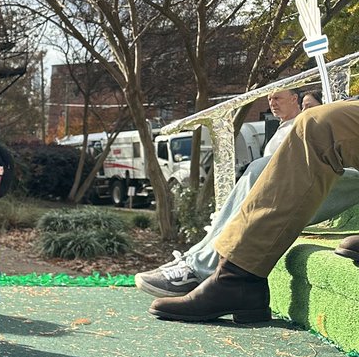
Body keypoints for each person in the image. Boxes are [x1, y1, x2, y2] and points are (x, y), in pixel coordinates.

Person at [132, 88, 356, 297]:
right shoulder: (282, 127)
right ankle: (206, 263)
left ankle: (211, 270)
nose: (271, 101)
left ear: (293, 99)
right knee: (263, 166)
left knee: (307, 130)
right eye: (269, 98)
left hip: (342, 169)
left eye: (278, 97)